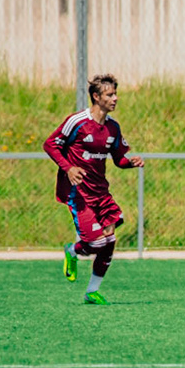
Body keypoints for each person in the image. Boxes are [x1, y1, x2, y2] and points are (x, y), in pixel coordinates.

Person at [44, 73, 143, 305]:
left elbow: (119, 159)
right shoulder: (77, 122)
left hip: (101, 192)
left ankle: (92, 291)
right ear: (96, 97)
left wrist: (131, 162)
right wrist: (68, 168)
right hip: (78, 192)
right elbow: (50, 144)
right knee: (97, 243)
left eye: (116, 94)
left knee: (109, 240)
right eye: (110, 94)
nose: (115, 98)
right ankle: (73, 250)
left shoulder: (112, 128)